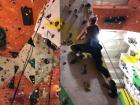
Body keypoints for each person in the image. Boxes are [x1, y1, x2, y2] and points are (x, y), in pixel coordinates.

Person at [70, 16, 118, 98]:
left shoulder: (88, 28)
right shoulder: (97, 28)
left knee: (73, 47)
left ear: (89, 21)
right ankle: (111, 82)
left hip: (89, 46)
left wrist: (84, 30)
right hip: (96, 48)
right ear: (95, 22)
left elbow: (78, 38)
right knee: (99, 67)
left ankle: (79, 54)